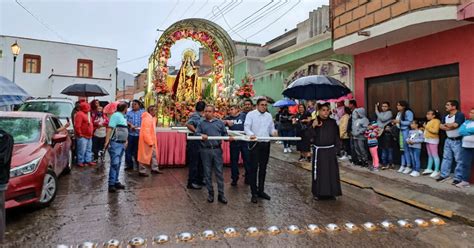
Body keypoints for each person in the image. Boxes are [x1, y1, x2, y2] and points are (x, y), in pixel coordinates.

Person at [244, 98, 278, 204]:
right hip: (255, 144)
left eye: (265, 105)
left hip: (265, 144)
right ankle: (254, 193)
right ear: (257, 105)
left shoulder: (268, 116)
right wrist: (251, 135)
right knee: (254, 168)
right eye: (262, 105)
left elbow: (271, 129)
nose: (264, 106)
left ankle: (261, 191)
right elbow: (246, 127)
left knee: (263, 168)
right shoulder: (251, 114)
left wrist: (274, 132)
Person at [196, 105, 232, 204]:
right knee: (207, 173)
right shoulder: (201, 123)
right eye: (206, 111)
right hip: (205, 150)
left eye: (209, 111)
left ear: (213, 112)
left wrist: (229, 138)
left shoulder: (219, 123)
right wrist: (200, 135)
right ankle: (210, 194)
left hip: (217, 150)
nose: (207, 113)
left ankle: (221, 194)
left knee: (219, 173)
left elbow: (225, 134)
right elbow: (196, 133)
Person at [308, 103, 342, 200]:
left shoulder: (332, 122)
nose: (326, 112)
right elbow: (308, 136)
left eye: (327, 110)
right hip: (319, 152)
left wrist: (337, 149)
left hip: (330, 151)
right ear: (319, 110)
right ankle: (318, 193)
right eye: (323, 110)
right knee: (320, 173)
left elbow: (337, 136)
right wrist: (313, 126)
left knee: (331, 172)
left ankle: (331, 192)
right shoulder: (314, 121)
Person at [437, 100, 465, 184]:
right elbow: (440, 126)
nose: (446, 106)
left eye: (448, 105)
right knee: (446, 158)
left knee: (459, 160)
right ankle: (444, 175)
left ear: (454, 106)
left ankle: (458, 178)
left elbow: (456, 125)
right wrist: (449, 126)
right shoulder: (445, 115)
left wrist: (448, 126)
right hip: (448, 140)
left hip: (457, 140)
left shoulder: (459, 115)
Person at [105, 102, 129, 193]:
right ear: (124, 108)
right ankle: (111, 184)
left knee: (118, 163)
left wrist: (126, 140)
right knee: (115, 163)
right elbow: (110, 128)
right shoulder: (115, 115)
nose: (127, 110)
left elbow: (125, 130)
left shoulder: (123, 116)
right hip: (115, 143)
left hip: (121, 143)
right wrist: (107, 141)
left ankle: (116, 181)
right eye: (126, 108)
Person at [224, 105, 250, 186]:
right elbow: (219, 124)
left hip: (244, 142)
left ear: (237, 110)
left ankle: (248, 177)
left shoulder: (244, 116)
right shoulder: (228, 118)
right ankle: (234, 178)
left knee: (247, 160)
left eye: (232, 109)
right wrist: (226, 122)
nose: (230, 111)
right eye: (229, 109)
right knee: (234, 161)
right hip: (234, 143)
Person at [186, 101, 206, 190]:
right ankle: (191, 182)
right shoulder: (195, 116)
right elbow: (189, 124)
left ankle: (199, 179)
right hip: (194, 142)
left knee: (200, 162)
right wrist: (197, 133)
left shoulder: (201, 116)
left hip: (200, 142)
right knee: (194, 162)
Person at [137, 105, 162, 177]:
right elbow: (146, 131)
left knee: (152, 155)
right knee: (144, 156)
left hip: (150, 140)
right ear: (151, 111)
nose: (156, 112)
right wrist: (149, 141)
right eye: (155, 110)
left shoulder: (151, 118)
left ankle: (154, 168)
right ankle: (142, 171)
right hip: (147, 140)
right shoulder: (147, 119)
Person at [392, 101, 414, 174]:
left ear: (403, 106)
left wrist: (399, 122)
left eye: (399, 105)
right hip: (400, 131)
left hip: (406, 131)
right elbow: (398, 121)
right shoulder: (399, 113)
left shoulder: (408, 112)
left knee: (406, 148)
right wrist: (394, 122)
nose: (397, 107)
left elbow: (410, 122)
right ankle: (403, 165)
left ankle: (409, 165)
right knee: (402, 149)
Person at [456, 108, 474, 188]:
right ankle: (465, 181)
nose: (471, 114)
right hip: (466, 146)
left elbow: (465, 131)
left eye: (473, 113)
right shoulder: (466, 122)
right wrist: (471, 131)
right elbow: (461, 131)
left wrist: (467, 131)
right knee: (465, 164)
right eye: (470, 112)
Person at [125, 100, 145, 171]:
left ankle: (138, 164)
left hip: (140, 134)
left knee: (138, 150)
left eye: (135, 104)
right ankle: (129, 165)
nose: (133, 106)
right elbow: (125, 120)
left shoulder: (143, 112)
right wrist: (130, 125)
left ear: (139, 105)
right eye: (132, 104)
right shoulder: (129, 113)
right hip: (131, 134)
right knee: (128, 150)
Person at [74, 101, 95, 167]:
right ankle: (80, 161)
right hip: (83, 135)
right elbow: (77, 125)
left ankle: (88, 160)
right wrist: (79, 133)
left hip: (89, 135)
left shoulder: (87, 114)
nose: (89, 108)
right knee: (82, 150)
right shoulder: (79, 114)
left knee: (88, 149)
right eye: (87, 106)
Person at [423, 110, 441, 177]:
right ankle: (429, 168)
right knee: (430, 155)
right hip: (428, 139)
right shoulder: (429, 121)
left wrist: (426, 127)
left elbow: (435, 131)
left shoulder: (436, 121)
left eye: (429, 114)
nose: (427, 115)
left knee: (435, 155)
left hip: (433, 140)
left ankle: (437, 170)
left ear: (434, 115)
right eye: (427, 114)